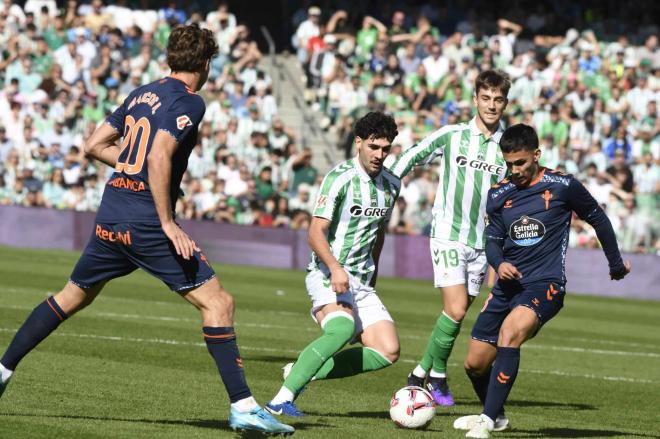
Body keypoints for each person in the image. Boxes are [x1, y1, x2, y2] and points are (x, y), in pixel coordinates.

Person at [0, 24, 293, 436]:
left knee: (70, 297)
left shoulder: (142, 93)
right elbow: (158, 157)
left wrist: (135, 170)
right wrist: (168, 222)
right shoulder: (190, 101)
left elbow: (93, 144)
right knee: (219, 303)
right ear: (206, 63)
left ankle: (2, 369)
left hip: (111, 214)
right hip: (146, 223)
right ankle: (243, 407)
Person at [455, 124, 631, 438]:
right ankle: (497, 416)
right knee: (474, 364)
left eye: (520, 162)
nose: (515, 170)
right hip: (506, 288)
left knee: (510, 334)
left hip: (545, 285)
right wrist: (499, 262)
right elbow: (493, 239)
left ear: (537, 155)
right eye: (509, 163)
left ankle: (485, 419)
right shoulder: (499, 193)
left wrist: (615, 263)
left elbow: (597, 217)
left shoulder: (563, 185)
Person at [265, 112, 401, 416]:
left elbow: (378, 235)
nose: (379, 154)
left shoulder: (392, 184)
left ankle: (303, 369)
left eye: (385, 148)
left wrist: (372, 277)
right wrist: (337, 268)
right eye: (373, 146)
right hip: (328, 272)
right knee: (341, 331)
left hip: (362, 282)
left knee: (388, 349)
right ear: (359, 143)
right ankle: (279, 401)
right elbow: (314, 232)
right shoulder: (339, 178)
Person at [389, 69, 511, 405]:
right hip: (448, 235)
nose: (491, 105)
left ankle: (430, 373)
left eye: (497, 99)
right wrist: (386, 187)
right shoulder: (452, 135)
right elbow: (412, 155)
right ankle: (428, 378)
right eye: (485, 98)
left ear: (505, 103)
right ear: (475, 99)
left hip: (483, 244)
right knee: (456, 310)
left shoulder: (508, 147)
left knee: (455, 315)